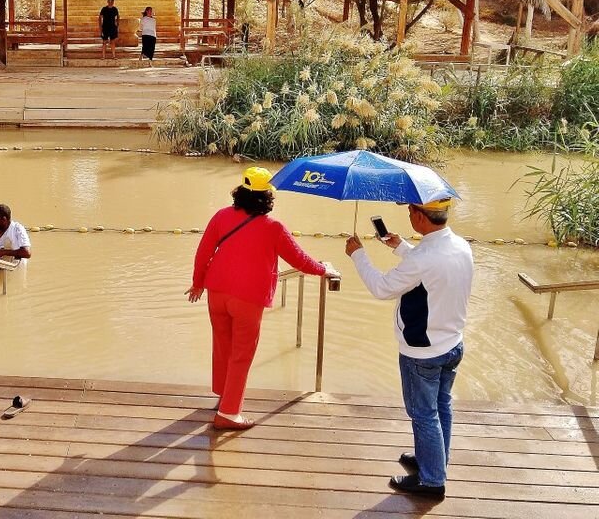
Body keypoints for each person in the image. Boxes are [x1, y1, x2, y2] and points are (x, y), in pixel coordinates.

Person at [187, 168, 340, 431]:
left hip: (217, 292)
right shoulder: (274, 228)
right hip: (248, 298)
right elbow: (299, 260)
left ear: (241, 191)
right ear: (268, 197)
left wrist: (198, 283)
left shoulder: (221, 216)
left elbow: (203, 253)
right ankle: (229, 413)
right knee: (241, 355)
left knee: (223, 346)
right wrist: (323, 269)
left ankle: (224, 395)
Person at [345, 197, 473, 499]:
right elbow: (430, 267)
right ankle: (435, 460)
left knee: (424, 414)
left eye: (411, 210)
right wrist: (401, 247)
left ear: (421, 217)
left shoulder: (424, 258)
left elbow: (382, 288)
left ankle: (431, 481)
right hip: (452, 343)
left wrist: (358, 255)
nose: (408, 214)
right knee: (442, 406)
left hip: (423, 351)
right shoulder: (460, 245)